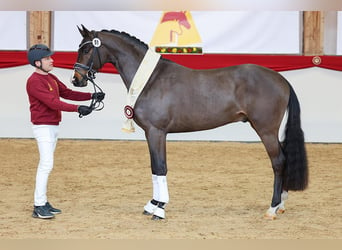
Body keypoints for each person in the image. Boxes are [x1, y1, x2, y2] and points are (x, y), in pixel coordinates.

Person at [26, 44, 105, 219]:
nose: (51, 60)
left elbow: (67, 93)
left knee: (46, 165)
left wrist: (91, 96)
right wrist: (78, 108)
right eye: (47, 58)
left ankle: (43, 202)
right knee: (46, 165)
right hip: (43, 127)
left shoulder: (51, 77)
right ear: (37, 63)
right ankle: (39, 205)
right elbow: (54, 103)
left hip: (52, 126)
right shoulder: (34, 82)